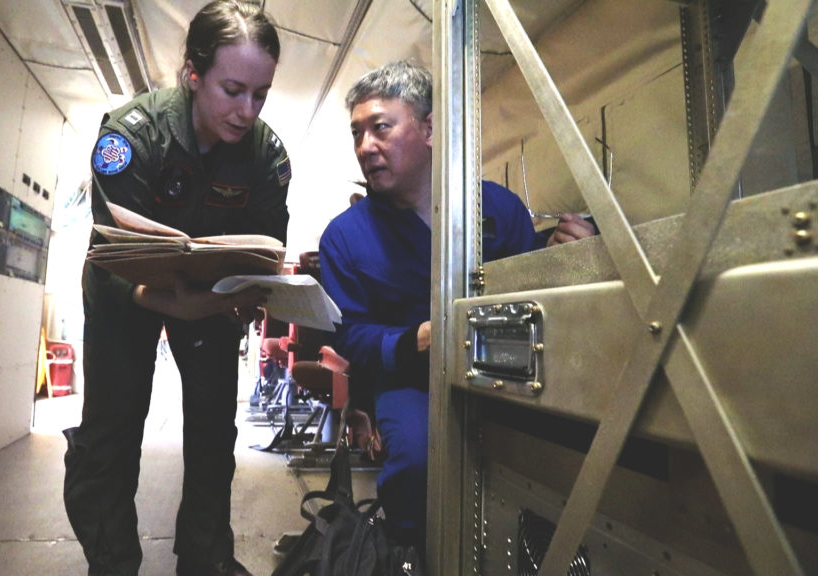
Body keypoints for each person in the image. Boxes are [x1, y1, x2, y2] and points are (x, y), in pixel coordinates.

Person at [318, 61, 593, 553]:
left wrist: (568, 252)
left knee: (570, 451)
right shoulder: (344, 238)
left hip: (507, 372)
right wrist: (413, 340)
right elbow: (348, 334)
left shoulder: (497, 209)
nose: (365, 147)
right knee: (421, 460)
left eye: (380, 127)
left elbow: (530, 290)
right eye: (356, 133)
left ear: (428, 129)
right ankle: (410, 553)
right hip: (412, 380)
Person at [63, 2, 290, 575]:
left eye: (260, 95)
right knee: (112, 429)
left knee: (215, 426)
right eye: (232, 89)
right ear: (193, 72)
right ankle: (112, 560)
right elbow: (111, 251)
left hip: (211, 295)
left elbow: (265, 250)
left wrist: (234, 296)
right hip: (126, 290)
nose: (246, 111)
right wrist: (159, 299)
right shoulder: (130, 138)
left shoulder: (265, 154)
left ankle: (206, 558)